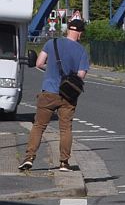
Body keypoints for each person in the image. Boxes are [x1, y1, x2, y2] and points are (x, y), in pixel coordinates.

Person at [20, 17, 91, 173]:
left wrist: (51, 69)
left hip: (49, 92)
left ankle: (29, 158)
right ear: (79, 33)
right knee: (66, 129)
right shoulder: (82, 51)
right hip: (68, 96)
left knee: (39, 126)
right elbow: (81, 75)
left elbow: (39, 63)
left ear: (68, 30)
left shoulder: (51, 43)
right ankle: (64, 163)